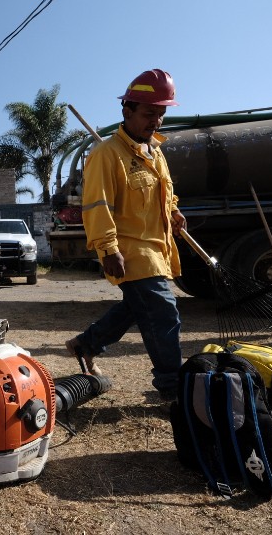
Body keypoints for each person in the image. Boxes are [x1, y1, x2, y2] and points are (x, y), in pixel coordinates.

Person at [65, 69, 186, 401]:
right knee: (162, 313)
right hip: (130, 251)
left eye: (161, 114)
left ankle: (86, 344)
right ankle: (172, 387)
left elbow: (164, 192)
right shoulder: (106, 155)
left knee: (138, 306)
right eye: (149, 114)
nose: (156, 121)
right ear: (127, 111)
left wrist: (173, 210)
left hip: (158, 249)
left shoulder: (155, 153)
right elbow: (96, 205)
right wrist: (107, 248)